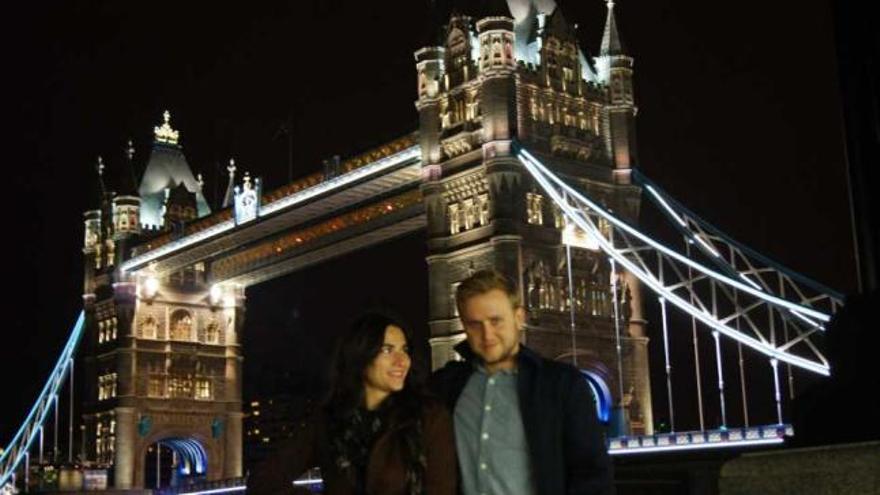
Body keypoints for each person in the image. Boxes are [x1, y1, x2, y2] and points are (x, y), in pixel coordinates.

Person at [431, 270, 613, 495]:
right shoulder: (446, 386)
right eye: (475, 324)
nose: (487, 335)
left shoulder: (562, 384)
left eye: (495, 321)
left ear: (519, 317)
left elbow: (593, 475)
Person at [247, 311, 457, 495]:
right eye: (387, 350)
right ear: (361, 356)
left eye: (405, 349)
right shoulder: (328, 421)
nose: (402, 361)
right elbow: (263, 481)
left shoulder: (429, 417)